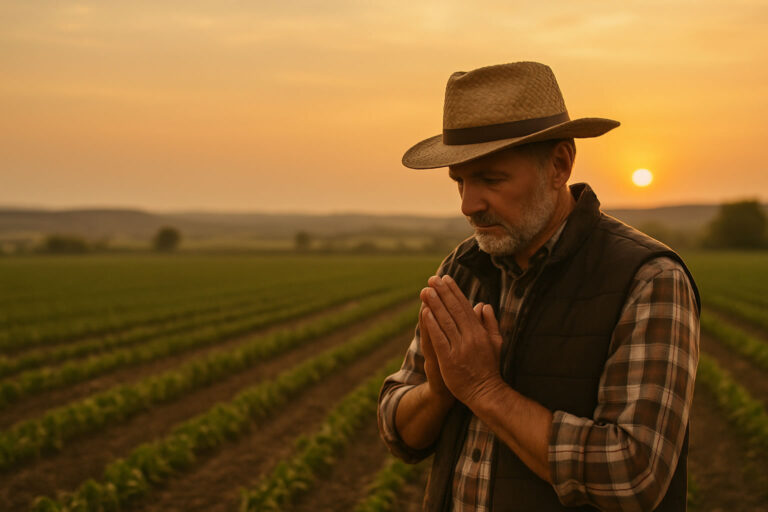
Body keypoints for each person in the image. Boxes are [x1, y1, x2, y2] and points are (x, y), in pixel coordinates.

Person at [377, 61, 700, 512]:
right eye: (460, 182)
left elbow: (633, 475)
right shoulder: (464, 268)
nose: (469, 204)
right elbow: (397, 428)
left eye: (491, 178)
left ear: (559, 165)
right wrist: (439, 391)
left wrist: (484, 390)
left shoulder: (648, 279)